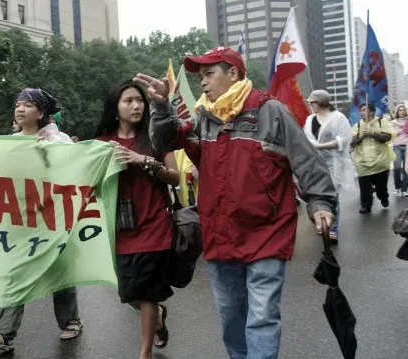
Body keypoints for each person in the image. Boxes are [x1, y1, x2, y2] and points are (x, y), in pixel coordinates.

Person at [135, 47, 336, 359]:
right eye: (199, 77)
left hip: (268, 234)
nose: (202, 82)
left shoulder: (271, 111)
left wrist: (320, 202)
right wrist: (161, 107)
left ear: (233, 73)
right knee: (232, 317)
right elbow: (165, 141)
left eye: (209, 74)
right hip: (220, 235)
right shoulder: (204, 118)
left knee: (262, 317)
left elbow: (307, 161)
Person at [0, 88, 81, 353]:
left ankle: (71, 319)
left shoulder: (57, 140)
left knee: (60, 270)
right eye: (18, 104)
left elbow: (73, 167)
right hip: (19, 218)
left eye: (28, 105)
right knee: (16, 271)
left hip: (52, 216)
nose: (20, 109)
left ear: (41, 113)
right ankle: (5, 333)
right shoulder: (9, 142)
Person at [95, 81, 180, 359]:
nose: (136, 105)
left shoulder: (156, 136)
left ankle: (144, 353)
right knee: (129, 291)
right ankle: (157, 315)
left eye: (139, 100)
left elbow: (175, 176)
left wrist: (142, 160)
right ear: (115, 108)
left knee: (146, 292)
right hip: (120, 227)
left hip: (154, 223)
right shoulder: (102, 142)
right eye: (128, 101)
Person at [303, 90, 354, 244]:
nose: (310, 105)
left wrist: (321, 146)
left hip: (334, 164)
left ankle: (332, 228)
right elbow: (306, 138)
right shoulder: (310, 119)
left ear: (320, 102)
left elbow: (345, 139)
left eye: (312, 102)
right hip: (315, 164)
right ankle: (322, 221)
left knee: (332, 196)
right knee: (318, 194)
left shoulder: (338, 118)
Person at [352, 103, 396, 213]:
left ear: (371, 112)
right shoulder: (357, 125)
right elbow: (351, 142)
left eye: (364, 110)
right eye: (360, 110)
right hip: (363, 162)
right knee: (365, 186)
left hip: (380, 161)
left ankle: (383, 197)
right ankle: (366, 205)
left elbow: (387, 137)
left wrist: (372, 133)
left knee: (381, 187)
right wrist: (360, 136)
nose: (361, 112)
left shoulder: (381, 122)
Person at [390, 103, 408, 196]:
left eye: (404, 110)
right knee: (397, 168)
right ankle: (398, 187)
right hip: (397, 146)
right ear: (397, 111)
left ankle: (405, 189)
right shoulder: (393, 122)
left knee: (406, 169)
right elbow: (392, 134)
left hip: (407, 146)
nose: (402, 112)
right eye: (400, 110)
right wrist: (402, 129)